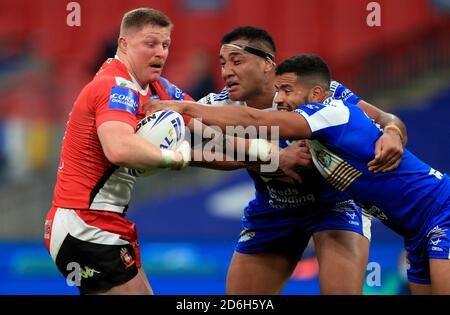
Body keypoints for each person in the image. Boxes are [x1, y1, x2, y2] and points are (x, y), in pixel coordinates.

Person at [150, 54, 450, 294]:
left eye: (287, 91)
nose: (278, 99)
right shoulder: (316, 131)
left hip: (442, 214)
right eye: (278, 90)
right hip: (414, 232)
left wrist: (182, 108)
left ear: (316, 93)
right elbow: (244, 135)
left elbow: (253, 119)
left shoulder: (331, 114)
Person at [43, 8, 192, 295]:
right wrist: (172, 158)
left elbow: (205, 122)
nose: (160, 52)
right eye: (150, 44)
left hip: (103, 222)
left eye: (165, 45)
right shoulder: (116, 86)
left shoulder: (157, 88)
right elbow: (119, 149)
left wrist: (261, 146)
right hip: (85, 223)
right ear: (123, 44)